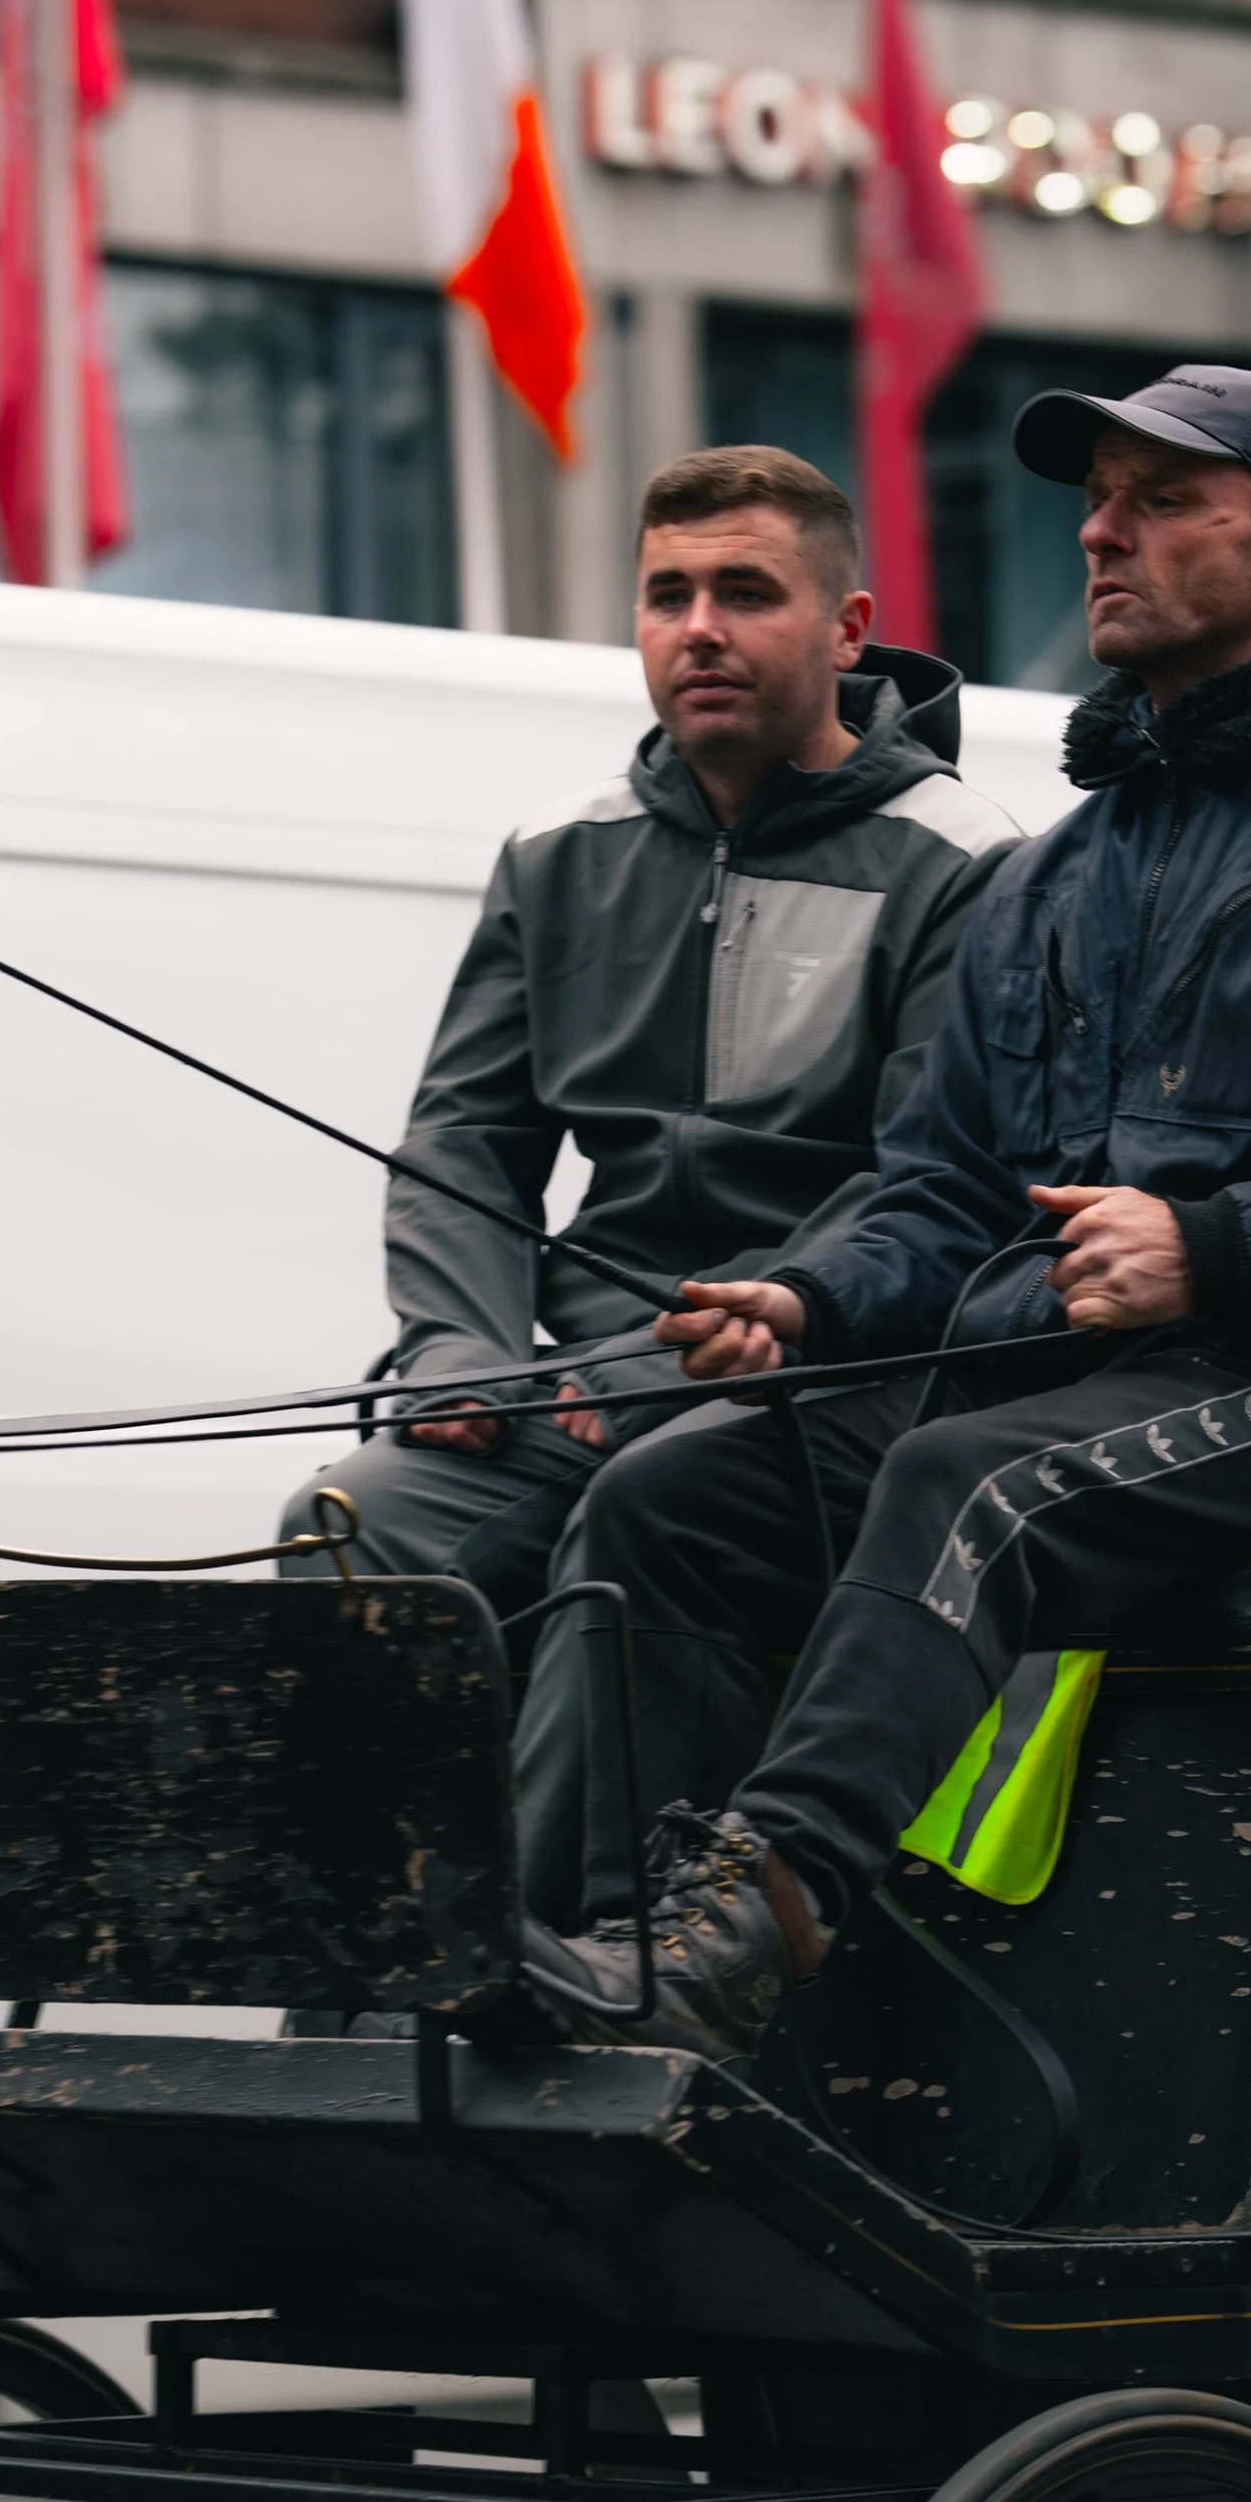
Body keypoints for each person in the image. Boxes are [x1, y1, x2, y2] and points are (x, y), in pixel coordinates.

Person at [516, 361, 1251, 2055]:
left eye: (1165, 501)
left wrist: (1214, 1246)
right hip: (1066, 1375)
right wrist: (806, 1300)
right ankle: (584, 1961)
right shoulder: (1051, 878)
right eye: (1098, 501)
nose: (1102, 532)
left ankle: (753, 1934)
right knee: (678, 1497)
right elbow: (941, 1187)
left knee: (966, 1483)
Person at [279, 443, 1017, 1926]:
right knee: (346, 1521)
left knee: (638, 1514)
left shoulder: (968, 865)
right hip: (572, 1380)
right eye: (667, 593)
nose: (701, 629)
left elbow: (935, 1179)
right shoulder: (557, 856)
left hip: (822, 1387)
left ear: (848, 628)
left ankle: (563, 1979)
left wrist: (726, 1335)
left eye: (747, 592)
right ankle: (349, 1985)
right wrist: (459, 1351)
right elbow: (462, 1143)